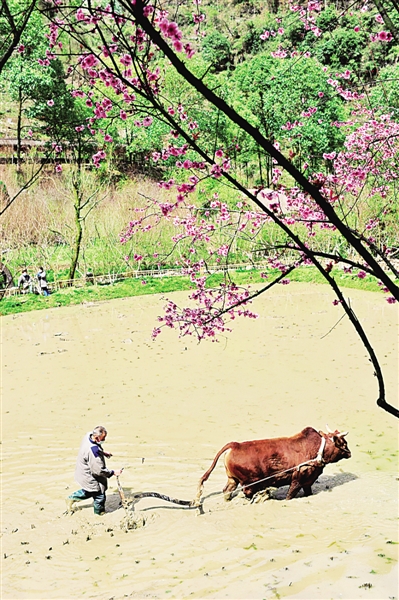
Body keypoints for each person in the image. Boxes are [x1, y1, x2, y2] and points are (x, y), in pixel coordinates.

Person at [66, 426, 123, 515]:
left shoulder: (88, 435)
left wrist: (102, 452)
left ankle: (71, 498)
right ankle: (99, 514)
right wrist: (113, 472)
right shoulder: (93, 451)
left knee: (90, 491)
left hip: (82, 470)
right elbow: (99, 471)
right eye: (103, 438)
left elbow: (95, 448)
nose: (104, 439)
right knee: (99, 495)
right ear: (96, 437)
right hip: (89, 475)